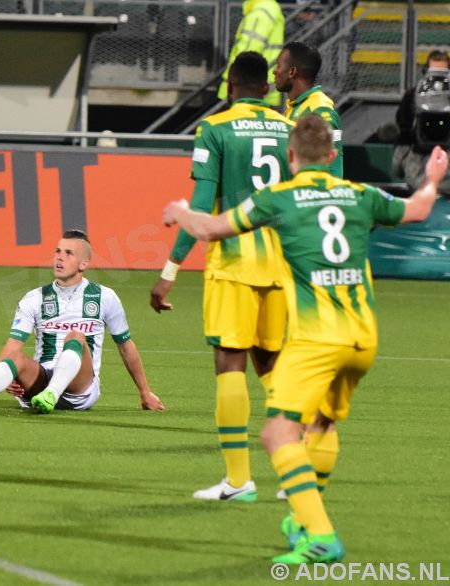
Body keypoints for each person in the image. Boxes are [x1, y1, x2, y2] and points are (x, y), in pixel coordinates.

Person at [163, 114, 448, 564]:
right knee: (322, 425)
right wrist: (432, 178)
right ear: (333, 156)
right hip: (364, 338)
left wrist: (179, 211)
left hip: (318, 338)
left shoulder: (279, 198)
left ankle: (320, 534)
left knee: (278, 432)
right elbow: (418, 210)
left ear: (290, 157)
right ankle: (301, 517)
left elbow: (210, 229)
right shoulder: (359, 194)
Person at [151, 52, 294, 502]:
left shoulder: (214, 128)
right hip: (284, 264)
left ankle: (238, 481)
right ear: (267, 88)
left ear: (230, 86)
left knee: (230, 365)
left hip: (234, 263)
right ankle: (297, 475)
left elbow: (201, 199)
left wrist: (169, 270)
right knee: (272, 367)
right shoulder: (290, 129)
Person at [0, 230, 165, 414]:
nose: (60, 258)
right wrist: (10, 377)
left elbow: (126, 347)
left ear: (84, 264)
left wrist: (144, 392)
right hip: (41, 380)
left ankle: (51, 395)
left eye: (68, 253)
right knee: (16, 358)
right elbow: (12, 347)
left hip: (80, 390)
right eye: (58, 251)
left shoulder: (105, 297)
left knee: (76, 336)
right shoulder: (34, 298)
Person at [274, 41, 344, 178]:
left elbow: (332, 167)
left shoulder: (320, 110)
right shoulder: (295, 106)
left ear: (292, 72)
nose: (274, 71)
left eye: (278, 65)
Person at [217, 0, 284, 107]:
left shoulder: (261, 11)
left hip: (246, 89)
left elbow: (247, 53)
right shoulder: (269, 8)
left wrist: (232, 83)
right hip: (260, 87)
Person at [395, 49, 449, 143]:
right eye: (433, 73)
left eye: (442, 73)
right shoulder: (412, 94)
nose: (437, 80)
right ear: (426, 71)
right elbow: (403, 123)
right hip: (419, 145)